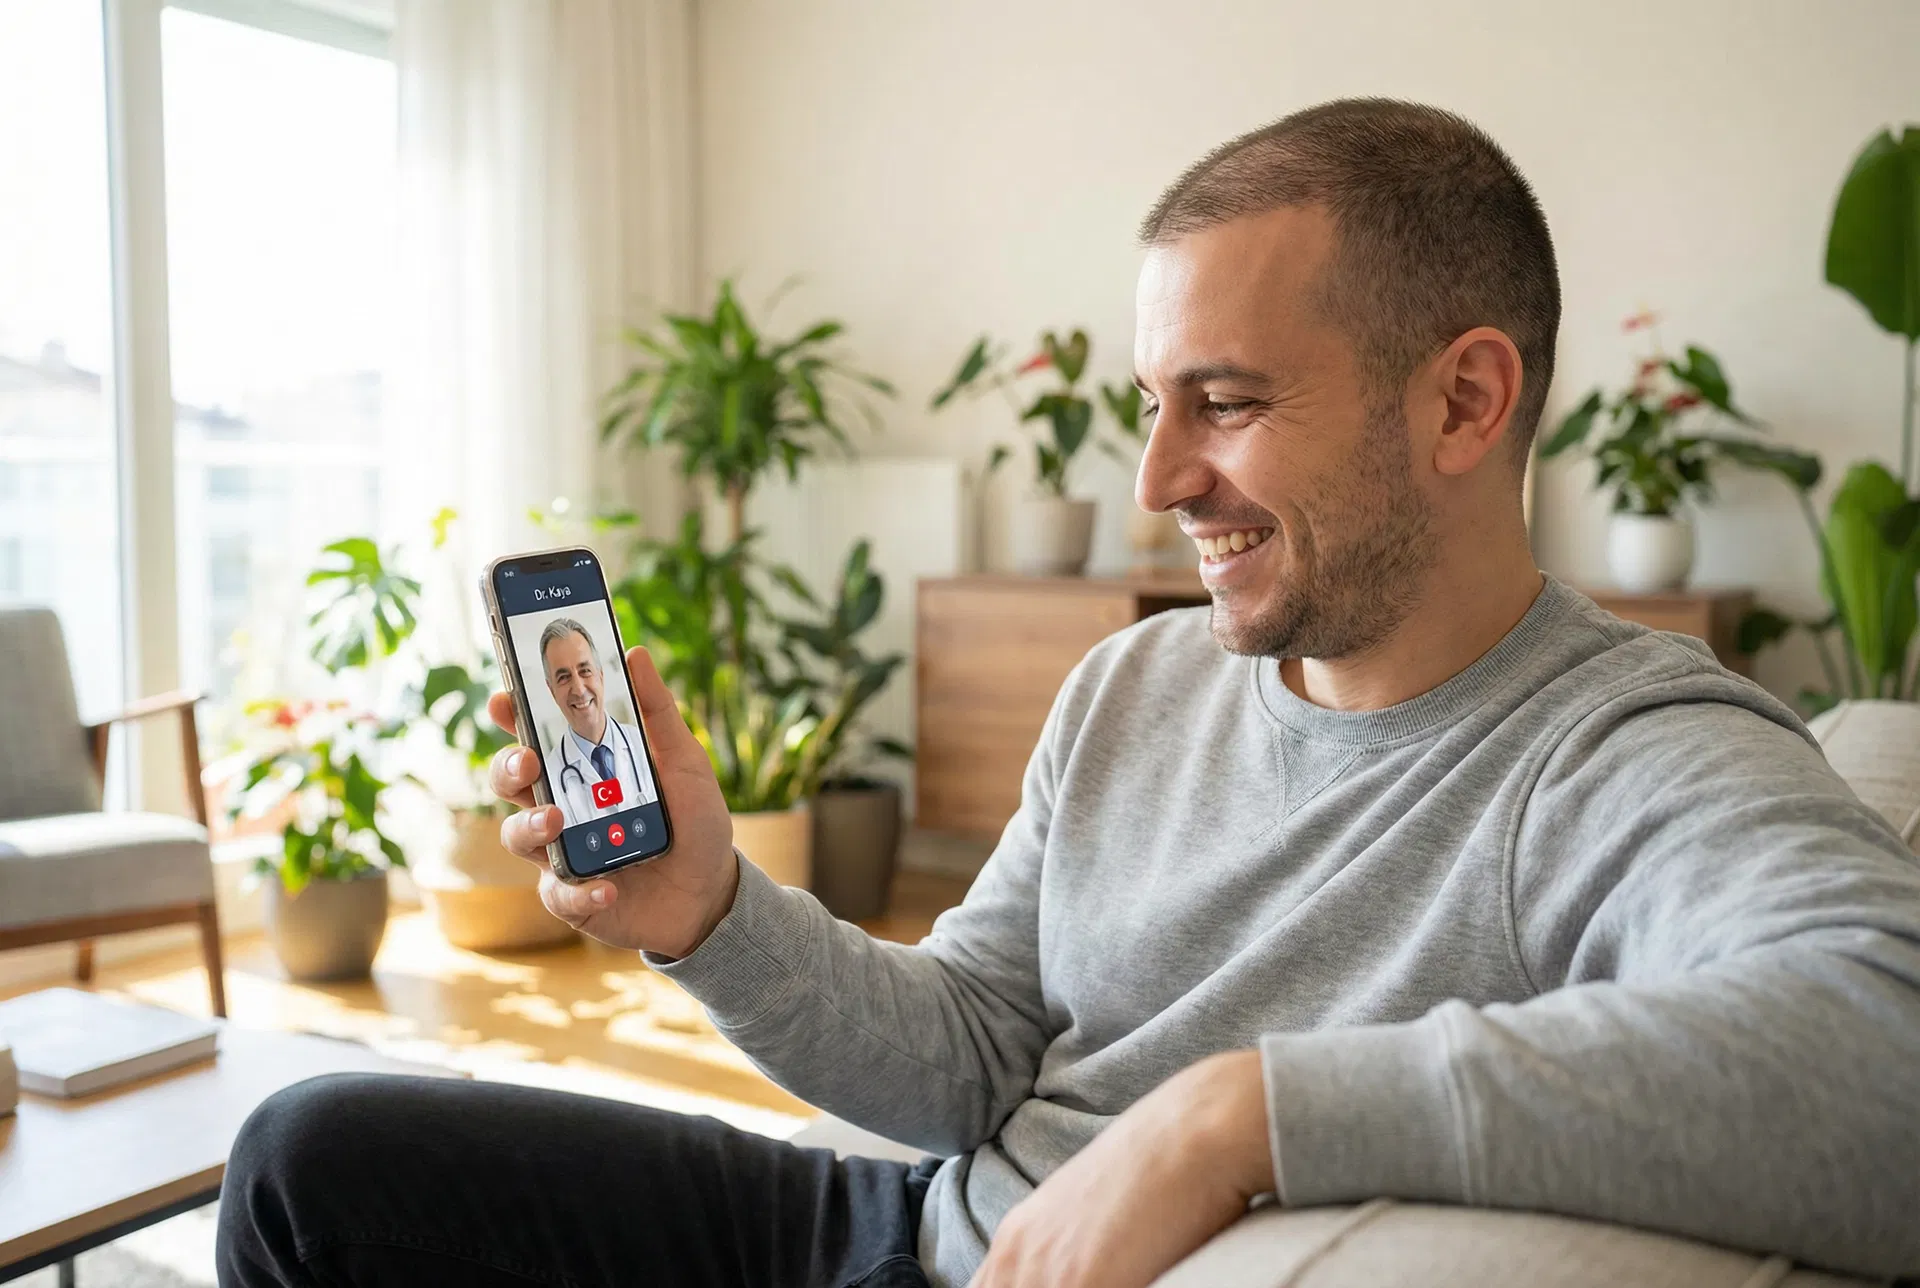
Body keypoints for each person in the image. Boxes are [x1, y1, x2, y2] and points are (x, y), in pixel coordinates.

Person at [216, 99, 1920, 1288]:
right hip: (897, 1223)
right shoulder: (1134, 683)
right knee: (310, 1159)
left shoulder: (1625, 749)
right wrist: (711, 906)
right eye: (1153, 402)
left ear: (1466, 402)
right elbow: (966, 1052)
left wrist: (1233, 1114)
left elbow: (1886, 1061)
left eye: (1227, 400)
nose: (1160, 476)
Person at [538, 615, 655, 825]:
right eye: (564, 677)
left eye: (585, 671)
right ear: (551, 690)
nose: (579, 689)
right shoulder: (550, 777)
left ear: (600, 675)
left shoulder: (646, 745)